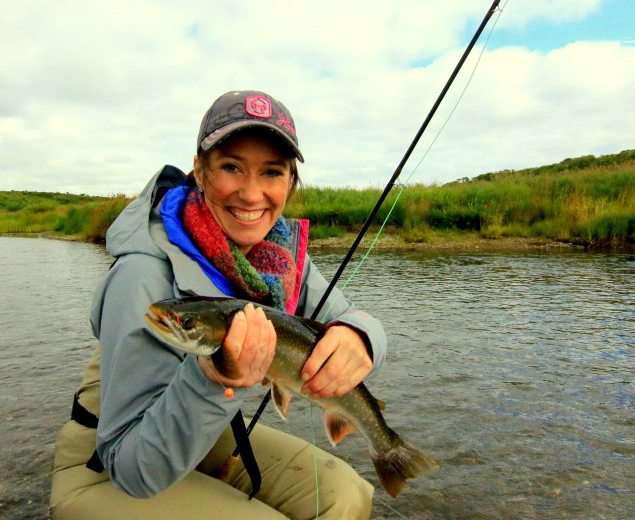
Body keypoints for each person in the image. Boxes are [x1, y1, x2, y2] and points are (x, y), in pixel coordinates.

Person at [49, 90, 387, 520]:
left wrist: (360, 337)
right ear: (200, 170)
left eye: (272, 172)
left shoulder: (275, 258)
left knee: (345, 494)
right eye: (231, 167)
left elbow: (350, 317)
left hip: (204, 434)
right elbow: (131, 470)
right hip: (109, 464)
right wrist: (216, 380)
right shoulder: (142, 277)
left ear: (290, 184)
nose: (251, 193)